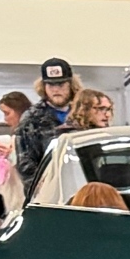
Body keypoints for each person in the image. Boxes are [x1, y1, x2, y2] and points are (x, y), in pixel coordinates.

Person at [16, 58, 77, 197]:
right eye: (50, 85)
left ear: (71, 85)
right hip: (48, 193)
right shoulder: (32, 118)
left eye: (61, 84)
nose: (56, 89)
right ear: (43, 87)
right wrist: (42, 193)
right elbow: (26, 164)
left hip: (84, 188)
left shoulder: (83, 114)